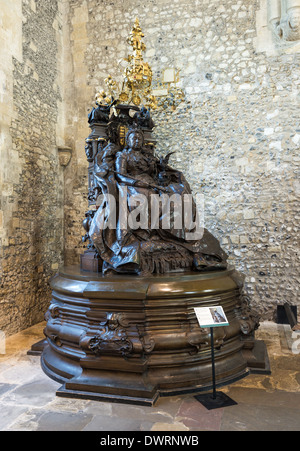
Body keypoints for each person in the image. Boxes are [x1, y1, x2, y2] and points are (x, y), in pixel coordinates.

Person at [89, 127, 227, 275]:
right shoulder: (123, 155)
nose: (137, 140)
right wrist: (136, 183)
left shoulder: (147, 157)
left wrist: (162, 174)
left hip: (152, 185)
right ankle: (146, 233)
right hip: (131, 186)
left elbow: (158, 173)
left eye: (139, 139)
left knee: (177, 195)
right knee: (141, 200)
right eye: (134, 138)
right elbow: (121, 176)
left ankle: (176, 232)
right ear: (128, 141)